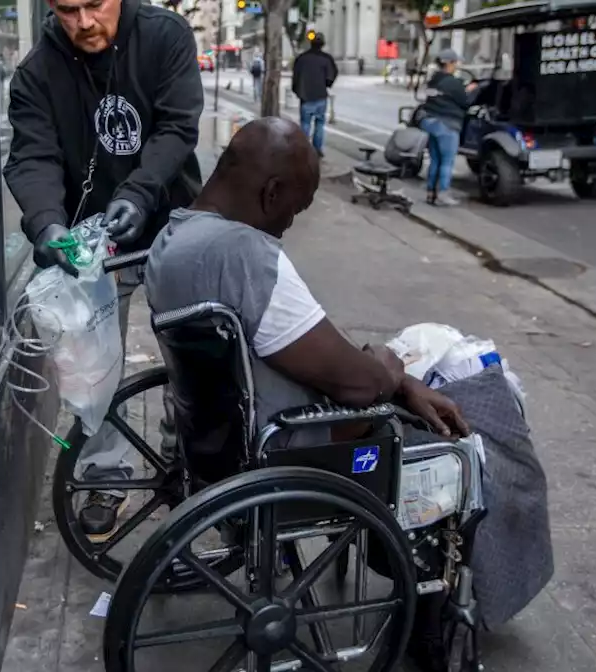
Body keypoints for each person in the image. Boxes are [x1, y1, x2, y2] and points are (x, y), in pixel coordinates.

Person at [145, 117, 470, 670]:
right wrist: (394, 370)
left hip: (223, 444)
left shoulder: (171, 240)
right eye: (296, 206)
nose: (291, 222)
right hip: (293, 446)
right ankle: (427, 616)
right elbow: (359, 383)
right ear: (272, 192)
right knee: (454, 450)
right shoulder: (245, 253)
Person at [3, 0, 203, 541]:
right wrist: (45, 224)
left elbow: (177, 127)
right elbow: (32, 156)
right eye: (69, 9)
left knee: (192, 354)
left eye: (96, 4)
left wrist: (140, 192)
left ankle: (187, 451)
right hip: (88, 244)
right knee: (90, 369)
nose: (85, 22)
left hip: (169, 224)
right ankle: (104, 473)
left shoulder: (164, 36)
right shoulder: (36, 73)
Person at [418, 48, 479, 206]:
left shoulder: (433, 81)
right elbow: (465, 102)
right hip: (447, 125)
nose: (457, 66)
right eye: (455, 63)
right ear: (449, 64)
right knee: (447, 161)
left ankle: (431, 193)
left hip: (431, 122)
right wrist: (470, 91)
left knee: (435, 160)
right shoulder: (453, 82)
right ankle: (443, 194)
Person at [291, 32, 337, 158]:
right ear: (323, 44)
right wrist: (327, 84)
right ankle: (317, 149)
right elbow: (332, 75)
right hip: (320, 95)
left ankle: (304, 149)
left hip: (305, 96)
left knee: (305, 123)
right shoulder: (327, 59)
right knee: (320, 123)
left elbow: (295, 77)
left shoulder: (301, 58)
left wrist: (297, 91)